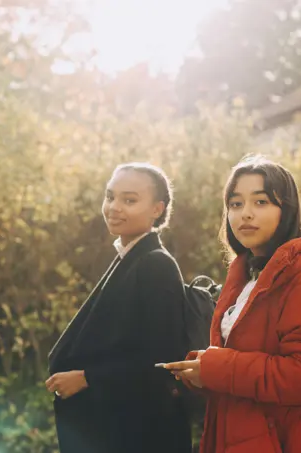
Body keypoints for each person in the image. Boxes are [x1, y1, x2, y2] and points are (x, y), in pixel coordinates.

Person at [164, 155, 301, 453]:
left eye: (260, 202)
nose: (245, 214)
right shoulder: (247, 278)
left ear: (287, 210)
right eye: (235, 204)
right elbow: (246, 366)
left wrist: (219, 368)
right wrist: (202, 371)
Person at [46, 162, 192, 453]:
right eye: (110, 196)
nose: (114, 207)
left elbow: (162, 360)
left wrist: (88, 378)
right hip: (112, 429)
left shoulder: (156, 264)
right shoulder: (129, 257)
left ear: (157, 209)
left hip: (138, 434)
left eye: (130, 200)